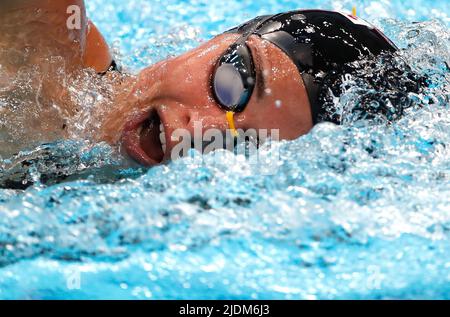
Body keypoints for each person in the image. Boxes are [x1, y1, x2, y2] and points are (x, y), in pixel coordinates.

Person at [0, 1, 424, 166]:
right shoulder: (34, 33)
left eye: (244, 145)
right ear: (213, 40)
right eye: (231, 83)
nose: (198, 132)